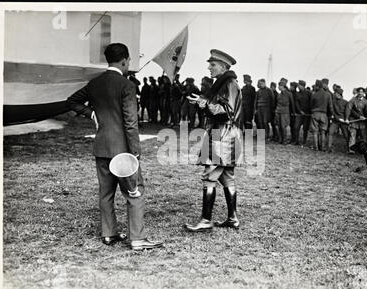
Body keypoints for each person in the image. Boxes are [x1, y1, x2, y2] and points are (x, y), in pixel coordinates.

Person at [66, 43, 162, 250]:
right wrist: (135, 151)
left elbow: (72, 101)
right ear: (125, 60)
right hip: (122, 151)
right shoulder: (126, 85)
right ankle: (137, 238)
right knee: (135, 192)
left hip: (101, 147)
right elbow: (130, 122)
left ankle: (108, 234)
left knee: (106, 193)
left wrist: (92, 113)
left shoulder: (94, 84)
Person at [184, 49, 243, 232]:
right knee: (227, 177)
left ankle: (206, 220)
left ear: (223, 66)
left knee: (210, 176)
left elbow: (226, 112)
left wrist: (203, 104)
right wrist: (203, 101)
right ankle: (232, 218)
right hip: (229, 135)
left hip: (221, 134)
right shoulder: (226, 83)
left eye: (213, 64)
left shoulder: (228, 84)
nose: (209, 67)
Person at [345, 87, 367, 153]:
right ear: (357, 92)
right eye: (359, 92)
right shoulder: (353, 100)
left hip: (362, 122)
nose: (360, 93)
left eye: (362, 92)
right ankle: (351, 150)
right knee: (352, 136)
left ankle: (364, 150)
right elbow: (348, 109)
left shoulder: (366, 101)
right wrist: (347, 119)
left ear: (364, 93)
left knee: (363, 137)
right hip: (354, 121)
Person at [310, 79, 333, 151]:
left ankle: (316, 147)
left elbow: (311, 105)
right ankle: (323, 147)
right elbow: (330, 107)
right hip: (324, 115)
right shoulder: (328, 94)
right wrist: (331, 114)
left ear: (317, 86)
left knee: (315, 131)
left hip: (315, 114)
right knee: (323, 132)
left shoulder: (314, 94)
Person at [327, 87, 349, 152]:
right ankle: (329, 147)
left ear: (339, 94)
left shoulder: (345, 102)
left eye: (336, 93)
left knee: (346, 135)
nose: (335, 94)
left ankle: (349, 148)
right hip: (335, 121)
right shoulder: (333, 102)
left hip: (343, 122)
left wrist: (346, 119)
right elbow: (332, 112)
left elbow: (347, 112)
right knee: (330, 132)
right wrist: (338, 119)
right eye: (335, 93)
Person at [294, 80, 312, 146]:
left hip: (307, 114)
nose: (298, 87)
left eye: (299, 85)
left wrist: (309, 111)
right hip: (299, 114)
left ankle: (304, 141)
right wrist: (300, 111)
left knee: (305, 128)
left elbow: (311, 102)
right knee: (296, 127)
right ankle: (296, 141)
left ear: (303, 86)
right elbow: (296, 103)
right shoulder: (297, 94)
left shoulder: (309, 93)